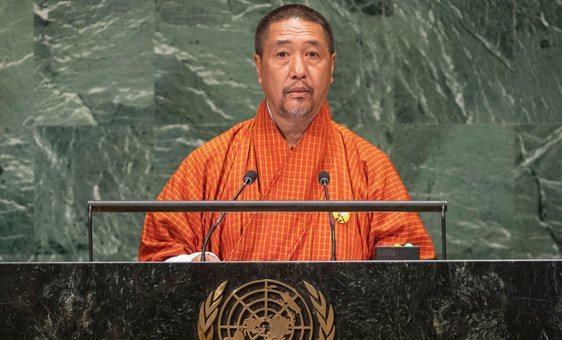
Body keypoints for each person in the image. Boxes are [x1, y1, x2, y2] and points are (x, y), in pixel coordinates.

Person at [138, 4, 435, 262]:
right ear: (258, 67)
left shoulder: (370, 167)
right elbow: (158, 254)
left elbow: (410, 271)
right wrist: (192, 264)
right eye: (282, 54)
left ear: (331, 67)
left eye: (312, 54)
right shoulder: (208, 164)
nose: (298, 69)